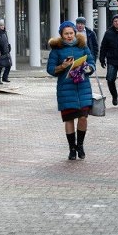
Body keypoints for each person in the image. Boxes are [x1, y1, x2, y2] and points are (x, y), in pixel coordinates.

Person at [47, 21, 96, 160]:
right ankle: (72, 149)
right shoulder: (56, 49)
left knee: (83, 117)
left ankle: (80, 145)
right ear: (61, 35)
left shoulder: (83, 46)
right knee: (69, 119)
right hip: (66, 89)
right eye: (66, 34)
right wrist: (62, 66)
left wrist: (87, 68)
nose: (69, 36)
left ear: (75, 33)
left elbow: (92, 63)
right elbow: (50, 69)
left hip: (83, 87)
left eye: (71, 33)